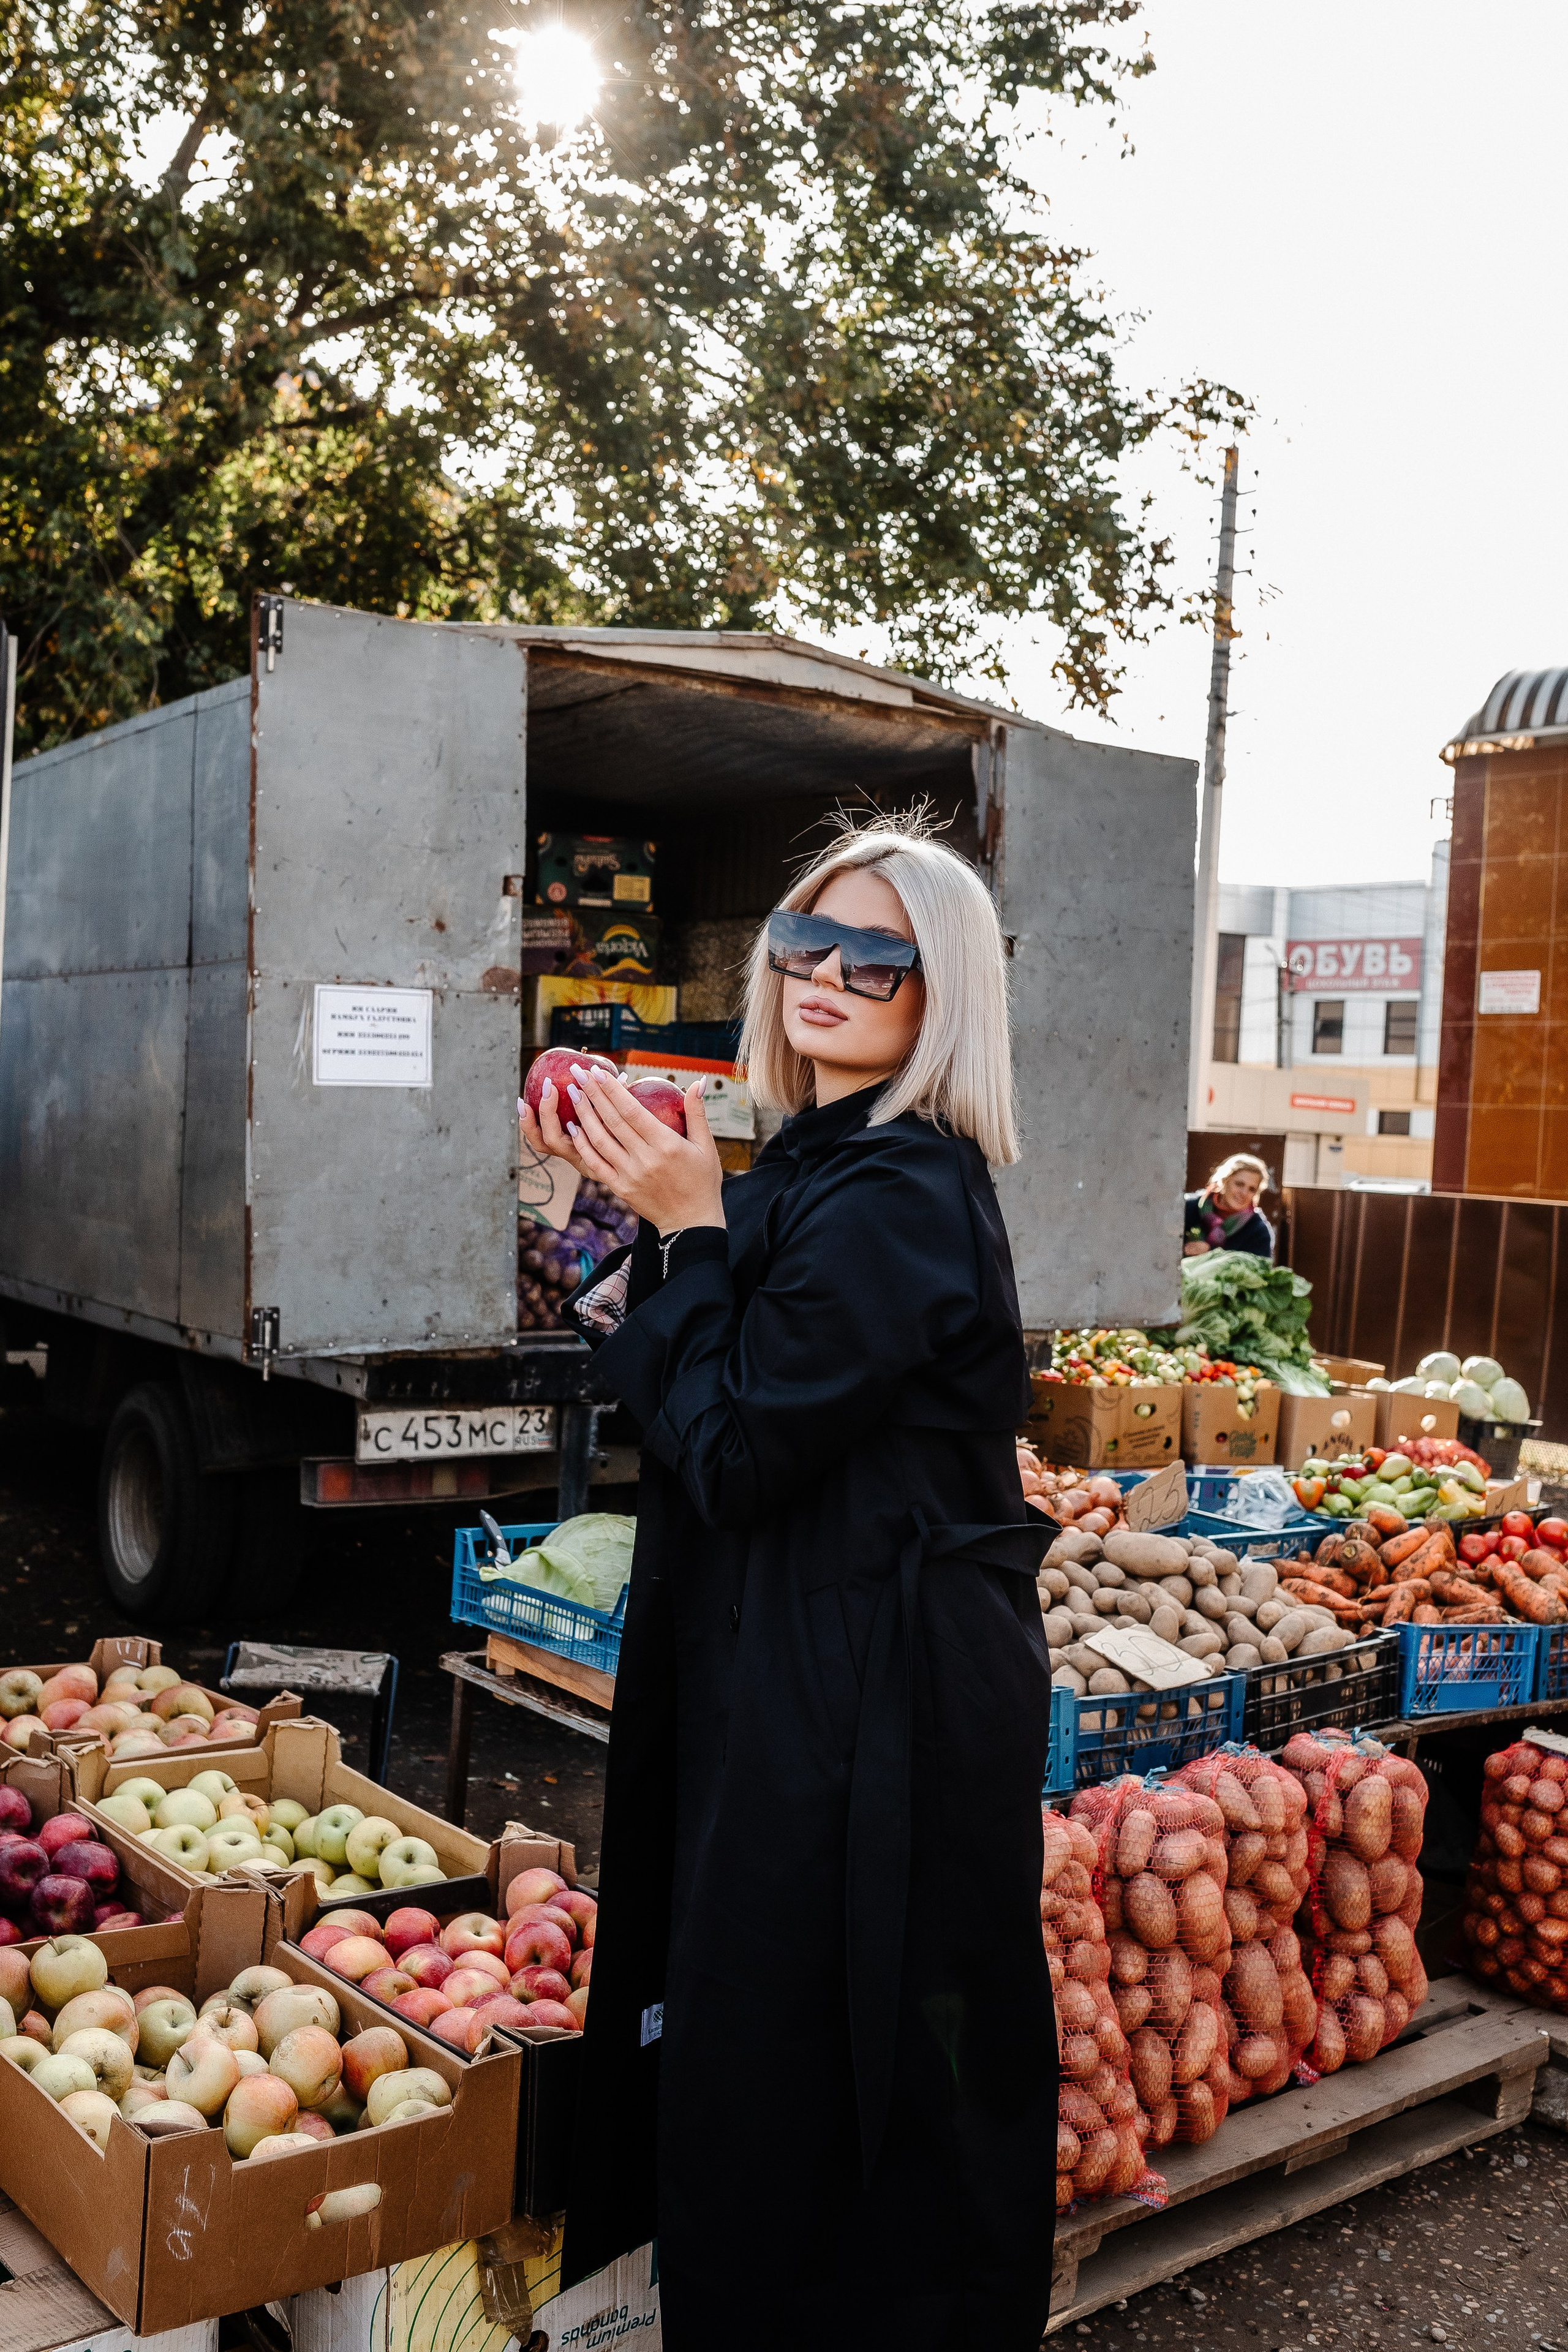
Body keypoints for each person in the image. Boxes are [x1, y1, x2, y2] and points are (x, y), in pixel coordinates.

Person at [520, 816, 1057, 2351]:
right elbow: (701, 1389)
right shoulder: (818, 1160)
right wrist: (618, 1198)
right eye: (799, 944)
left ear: (934, 988)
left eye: (872, 955)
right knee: (766, 2045)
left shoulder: (899, 1188)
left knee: (826, 2068)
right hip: (803, 1679)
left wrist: (686, 1221)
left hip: (865, 1713)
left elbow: (736, 1447)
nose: (824, 973)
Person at [1183, 1151, 1274, 1261]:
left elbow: (1259, 1271)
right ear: (1224, 1181)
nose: (1244, 1193)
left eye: (1252, 1189)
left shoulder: (1258, 1231)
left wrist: (1211, 1253)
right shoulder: (1188, 1208)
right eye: (1239, 1184)